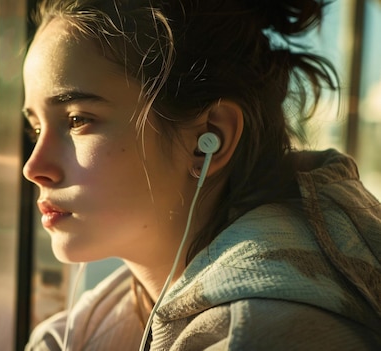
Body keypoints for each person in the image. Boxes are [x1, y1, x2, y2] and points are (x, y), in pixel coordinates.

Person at [21, 0, 381, 350]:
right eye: (36, 129)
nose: (34, 168)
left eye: (76, 120)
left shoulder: (263, 333)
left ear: (209, 138)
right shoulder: (79, 332)